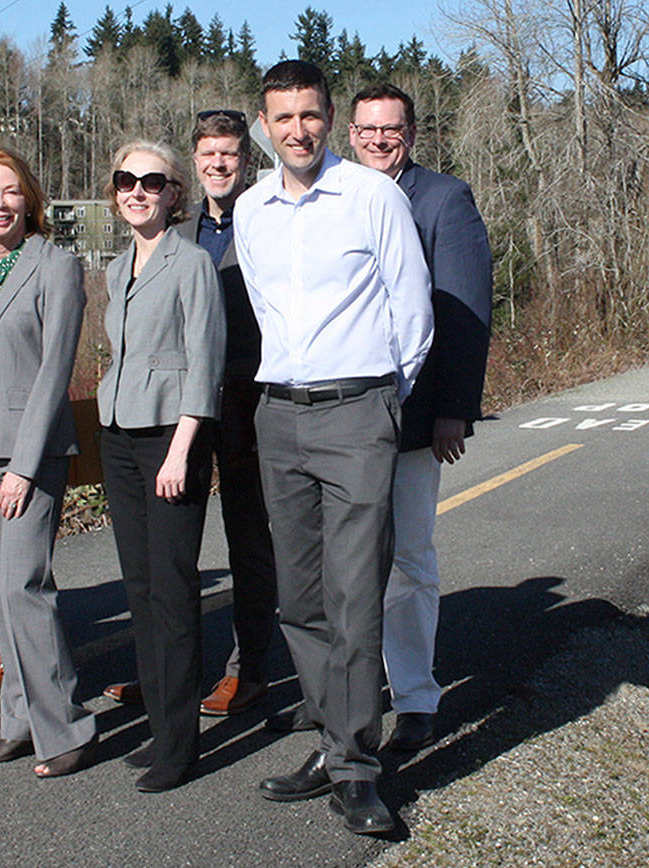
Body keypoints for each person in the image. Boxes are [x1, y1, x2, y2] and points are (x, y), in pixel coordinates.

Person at [234, 61, 432, 833]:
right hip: (278, 415)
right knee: (303, 596)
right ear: (266, 123)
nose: (297, 130)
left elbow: (412, 316)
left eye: (310, 115)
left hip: (357, 414)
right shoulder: (252, 211)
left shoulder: (373, 198)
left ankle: (356, 767)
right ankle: (329, 736)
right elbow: (262, 310)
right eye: (282, 118)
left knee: (356, 594)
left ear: (328, 118)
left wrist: (378, 404)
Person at [101, 111, 278, 719]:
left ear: (245, 160)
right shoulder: (180, 233)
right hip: (186, 406)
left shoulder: (267, 217)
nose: (219, 164)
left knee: (248, 539)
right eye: (207, 155)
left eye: (229, 154)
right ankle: (166, 677)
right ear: (194, 166)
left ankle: (247, 670)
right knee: (170, 553)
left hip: (252, 398)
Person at [0, 148, 97, 778]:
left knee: (23, 586)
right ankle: (19, 719)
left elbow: (54, 371)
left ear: (28, 198)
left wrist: (25, 466)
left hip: (25, 453)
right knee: (0, 592)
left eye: (10, 192)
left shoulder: (55, 265)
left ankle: (66, 727)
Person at [348, 83, 492, 753]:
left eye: (392, 129)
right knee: (346, 566)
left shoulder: (443, 200)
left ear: (412, 134)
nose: (379, 139)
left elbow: (464, 312)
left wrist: (454, 411)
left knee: (408, 560)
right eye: (368, 128)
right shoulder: (337, 197)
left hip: (411, 417)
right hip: (340, 422)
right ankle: (349, 696)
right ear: (350, 134)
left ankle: (414, 697)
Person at [97, 141, 225, 793]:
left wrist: (181, 450)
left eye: (153, 181)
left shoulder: (192, 263)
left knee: (173, 592)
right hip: (120, 437)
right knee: (141, 590)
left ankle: (182, 745)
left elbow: (204, 363)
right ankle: (160, 729)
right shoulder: (119, 269)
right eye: (126, 180)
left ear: (176, 194)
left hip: (171, 442)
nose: (137, 190)